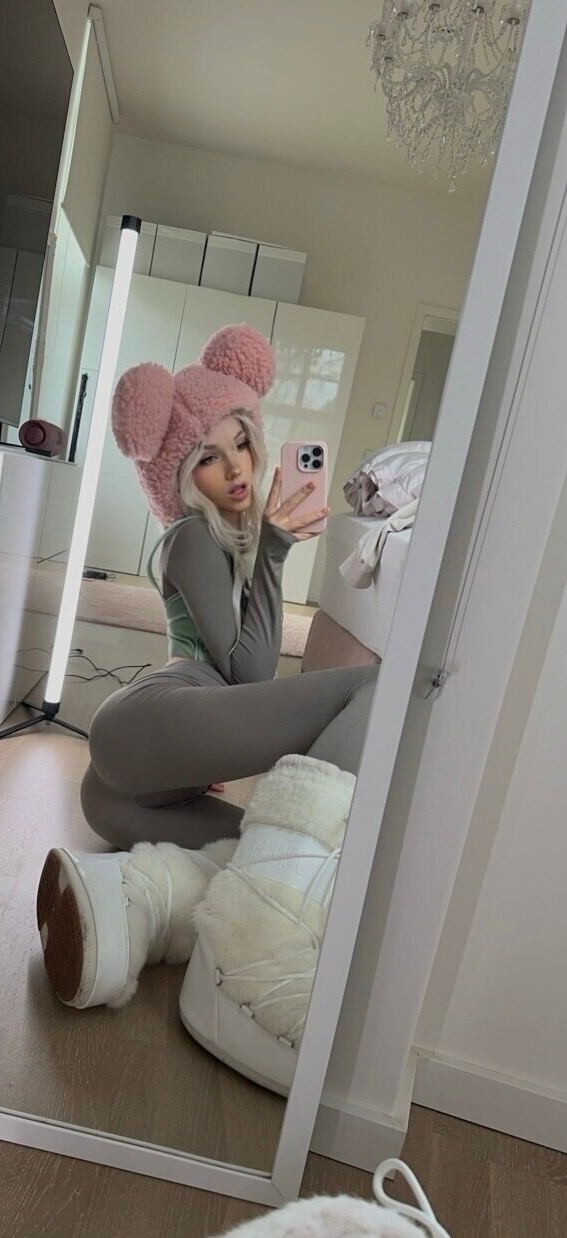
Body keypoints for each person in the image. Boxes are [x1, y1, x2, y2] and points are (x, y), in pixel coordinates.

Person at [80, 323, 379, 852]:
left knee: (266, 853)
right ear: (179, 475)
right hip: (140, 718)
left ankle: (302, 859)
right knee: (374, 686)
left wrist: (201, 745)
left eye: (240, 442)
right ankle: (327, 844)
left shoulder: (215, 539)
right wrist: (273, 551)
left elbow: (216, 663)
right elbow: (250, 673)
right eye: (207, 457)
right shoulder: (192, 536)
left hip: (122, 777)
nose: (236, 466)